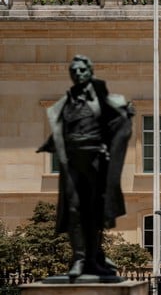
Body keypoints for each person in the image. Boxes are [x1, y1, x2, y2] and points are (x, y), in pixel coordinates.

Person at [38, 54, 134, 280]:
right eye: (74, 71)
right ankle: (80, 258)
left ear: (90, 72)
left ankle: (93, 257)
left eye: (82, 70)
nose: (78, 74)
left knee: (95, 211)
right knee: (73, 209)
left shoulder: (103, 99)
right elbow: (59, 132)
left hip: (95, 161)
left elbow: (117, 124)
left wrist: (125, 115)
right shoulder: (66, 102)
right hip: (71, 161)